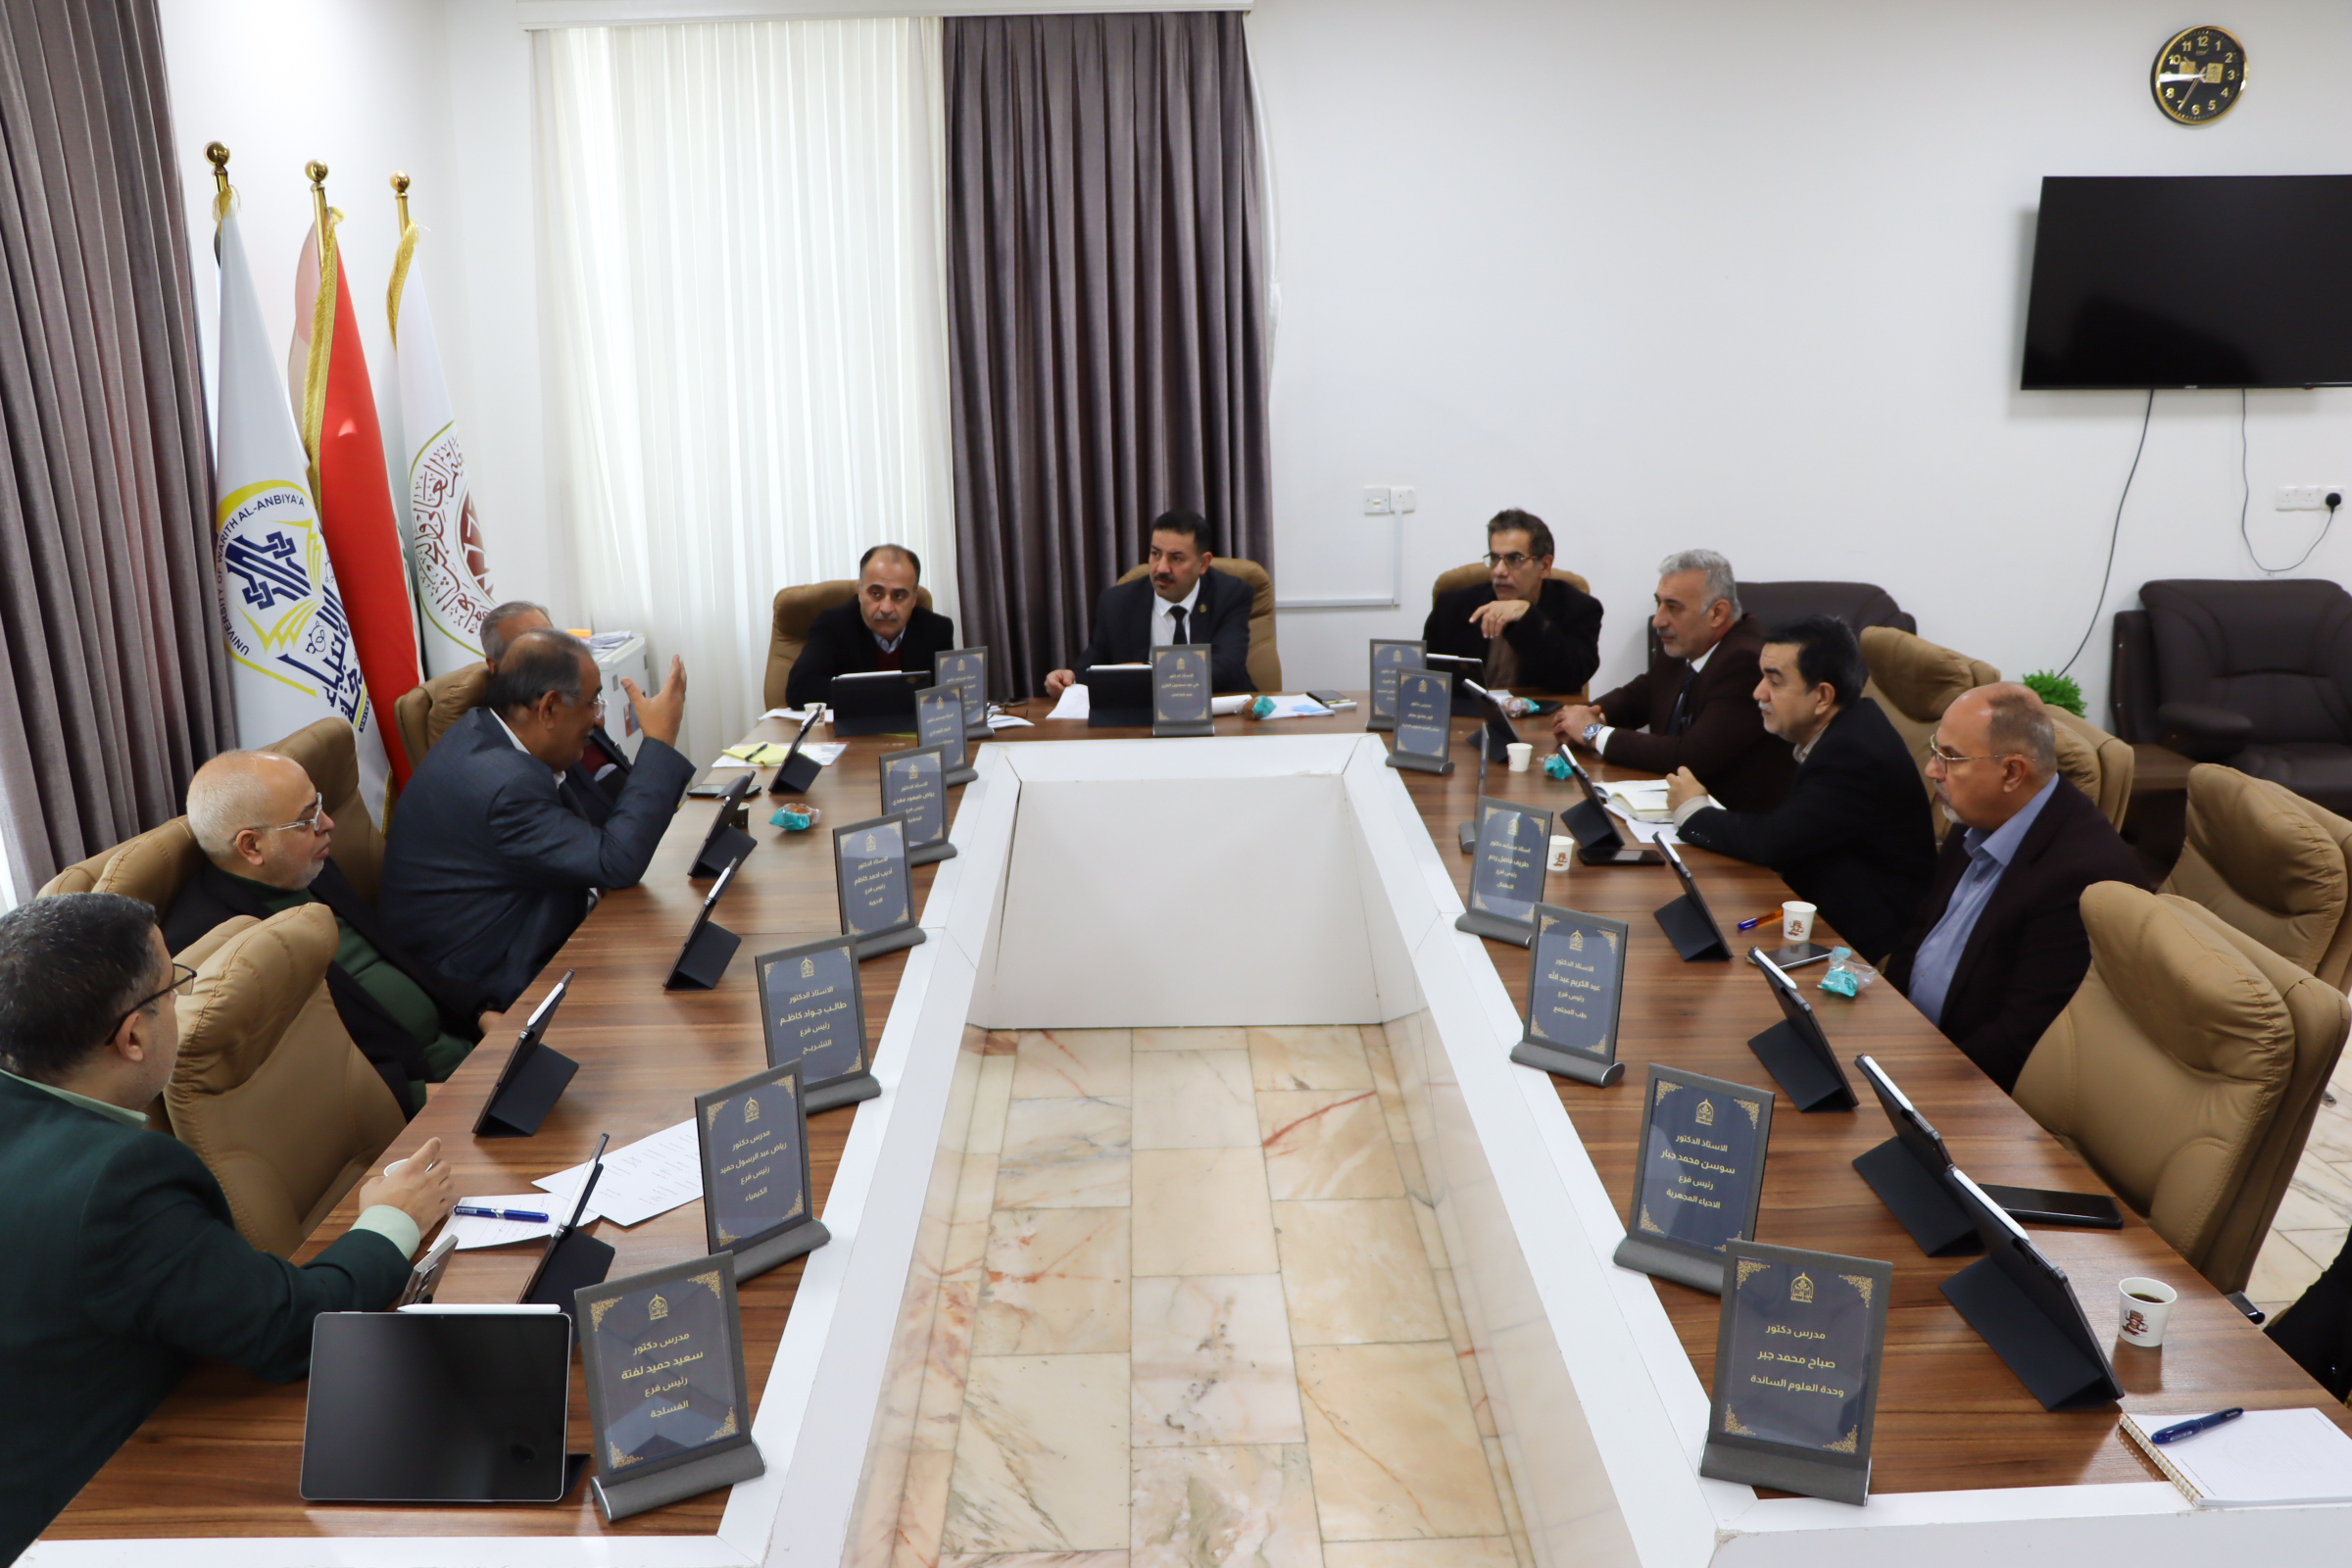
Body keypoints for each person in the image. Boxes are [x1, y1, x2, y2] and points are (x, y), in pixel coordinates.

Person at [0, 892, 455, 1560]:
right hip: (90, 1516)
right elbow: (291, 1329)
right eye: (173, 986)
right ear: (132, 1037)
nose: (181, 1001)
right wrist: (394, 1220)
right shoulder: (119, 1182)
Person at [162, 752, 501, 1114]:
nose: (329, 823)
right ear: (252, 846)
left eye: (319, 805)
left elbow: (398, 956)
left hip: (471, 1049)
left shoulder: (306, 867)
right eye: (307, 819)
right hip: (411, 1104)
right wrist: (423, 1097)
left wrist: (482, 1012)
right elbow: (290, 1079)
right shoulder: (213, 945)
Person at [381, 628, 696, 1008]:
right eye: (593, 703)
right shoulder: (505, 785)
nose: (598, 720)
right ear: (548, 708)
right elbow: (615, 861)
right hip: (500, 984)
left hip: (534, 927)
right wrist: (659, 741)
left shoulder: (486, 729)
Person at [1882, 683, 2146, 1094]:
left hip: (1962, 1089)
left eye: (1950, 757)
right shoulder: (1975, 816)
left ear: (2011, 773)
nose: (1933, 770)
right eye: (1936, 751)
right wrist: (1880, 1029)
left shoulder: (2083, 876)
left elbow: (2019, 1039)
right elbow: (1920, 935)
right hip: (1907, 1047)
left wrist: (1910, 1080)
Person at [1667, 615, 1936, 962]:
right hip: (1819, 907)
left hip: (1862, 947)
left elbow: (1772, 842)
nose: (1758, 693)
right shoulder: (1846, 726)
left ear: (1822, 696)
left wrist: (1692, 810)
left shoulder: (1852, 753)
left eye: (1774, 681)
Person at [1552, 550, 1795, 811]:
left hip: (1733, 820)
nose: (1658, 620)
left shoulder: (1746, 663)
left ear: (1717, 613)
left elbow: (1689, 756)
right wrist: (1588, 716)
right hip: (1674, 808)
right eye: (1659, 603)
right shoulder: (1688, 643)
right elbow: (1640, 696)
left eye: (1673, 607)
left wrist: (1592, 733)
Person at [1045, 510, 1255, 697]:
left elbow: (1224, 667)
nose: (1161, 568)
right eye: (1155, 554)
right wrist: (1069, 679)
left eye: (1176, 558)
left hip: (1220, 711)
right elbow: (1092, 669)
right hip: (1141, 717)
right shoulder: (1117, 602)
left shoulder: (1231, 595)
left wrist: (1147, 671)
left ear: (1203, 563)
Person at [1419, 509, 1601, 694]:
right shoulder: (1452, 606)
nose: (1499, 571)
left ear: (1544, 566)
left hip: (1541, 712)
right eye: (1494, 558)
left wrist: (1528, 615)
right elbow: (1425, 679)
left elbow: (1572, 678)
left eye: (1514, 559)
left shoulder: (1578, 608)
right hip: (1469, 711)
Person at [482, 600, 632, 823]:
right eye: (533, 652)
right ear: (496, 667)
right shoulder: (517, 768)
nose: (554, 658)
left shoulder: (580, 706)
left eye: (553, 641)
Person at [784, 545, 957, 711]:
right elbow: (800, 689)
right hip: (854, 730)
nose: (886, 608)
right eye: (876, 594)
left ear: (914, 598)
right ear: (860, 591)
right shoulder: (832, 625)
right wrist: (887, 696)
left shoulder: (937, 630)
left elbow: (950, 696)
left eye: (899, 596)